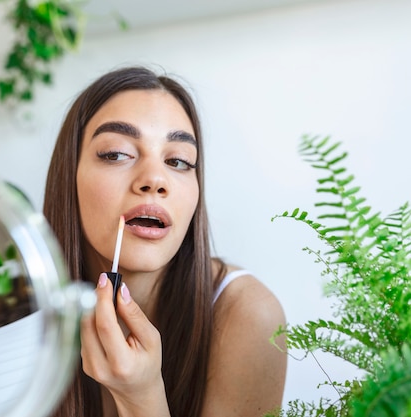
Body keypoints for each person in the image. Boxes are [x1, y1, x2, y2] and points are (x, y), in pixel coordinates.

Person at [42, 66, 287, 417]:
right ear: (69, 176)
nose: (155, 179)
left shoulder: (248, 314)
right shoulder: (14, 313)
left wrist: (141, 398)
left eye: (178, 161)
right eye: (116, 153)